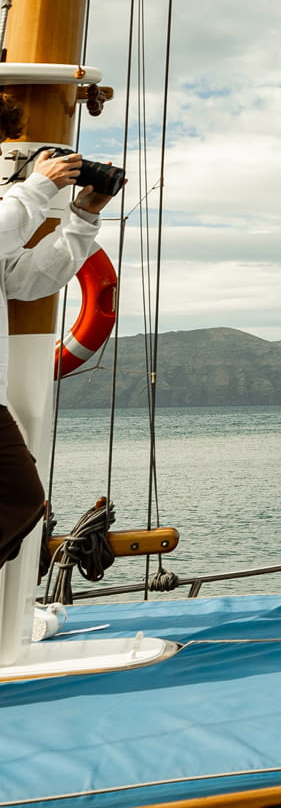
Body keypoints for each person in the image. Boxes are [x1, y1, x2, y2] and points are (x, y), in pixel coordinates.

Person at [0, 123, 115, 568]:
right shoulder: (18, 204)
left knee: (24, 501)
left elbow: (30, 279)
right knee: (19, 497)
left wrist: (82, 218)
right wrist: (36, 189)